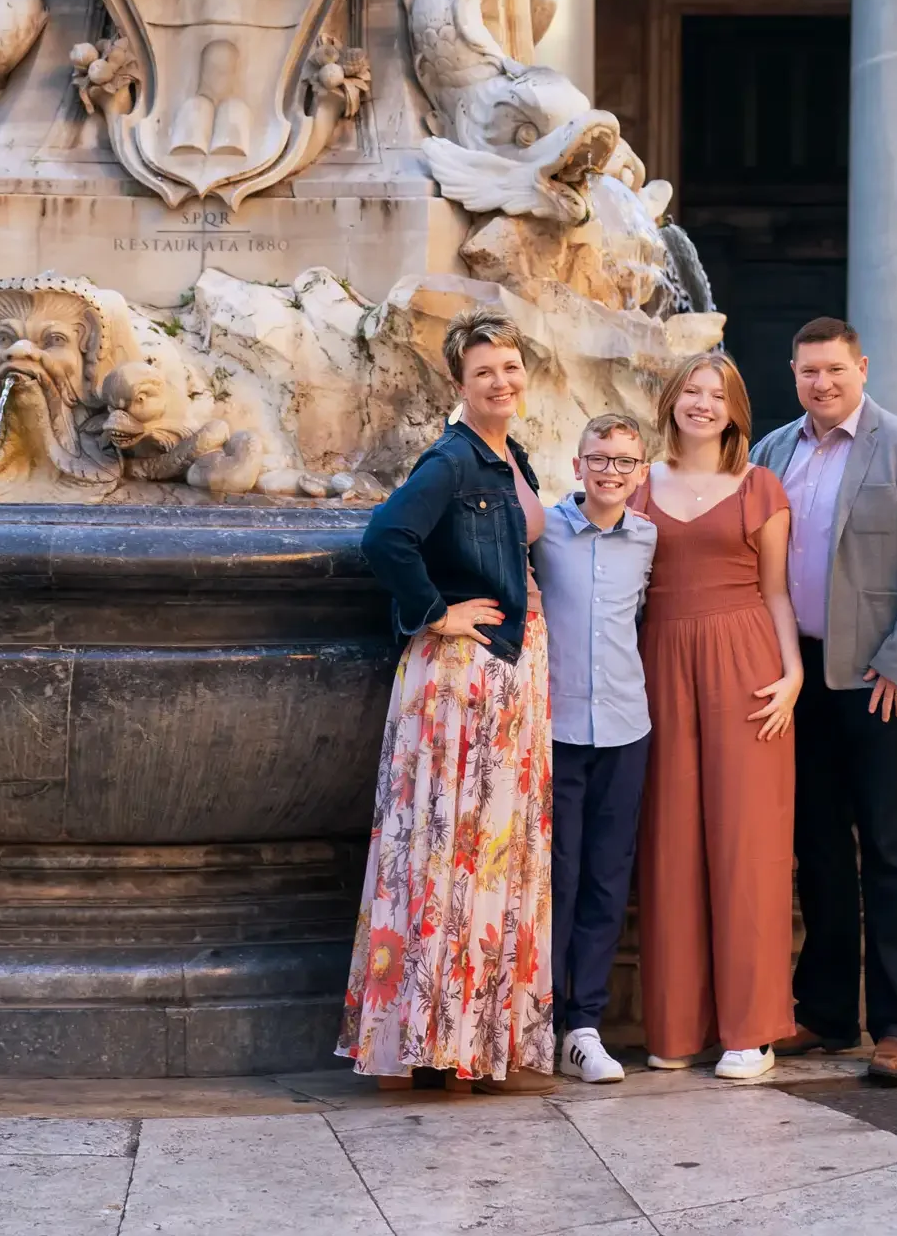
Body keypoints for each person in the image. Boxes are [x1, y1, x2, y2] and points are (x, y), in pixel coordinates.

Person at [338, 314, 553, 1088]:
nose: (503, 381)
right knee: (450, 852)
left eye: (511, 366)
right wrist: (437, 611)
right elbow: (384, 537)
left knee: (486, 853)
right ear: (458, 386)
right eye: (485, 371)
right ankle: (436, 1040)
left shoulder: (508, 455)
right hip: (466, 677)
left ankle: (468, 1038)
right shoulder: (453, 459)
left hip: (506, 671)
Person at [753, 316, 897, 1085]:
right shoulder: (772, 451)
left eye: (834, 370)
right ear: (794, 372)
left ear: (861, 368)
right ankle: (825, 1013)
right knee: (814, 847)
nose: (822, 384)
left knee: (886, 848)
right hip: (798, 676)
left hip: (882, 681)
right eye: (809, 371)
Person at [630, 349, 804, 1081]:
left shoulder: (760, 486)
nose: (702, 403)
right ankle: (673, 1025)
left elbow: (775, 592)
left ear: (735, 410)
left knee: (746, 844)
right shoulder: (636, 484)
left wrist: (792, 673)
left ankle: (750, 1029)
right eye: (690, 391)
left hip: (746, 661)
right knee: (667, 843)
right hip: (658, 659)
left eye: (716, 394)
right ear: (670, 400)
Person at [534, 411, 657, 1084]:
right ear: (577, 464)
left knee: (607, 880)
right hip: (553, 729)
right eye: (599, 458)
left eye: (624, 462)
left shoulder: (648, 539)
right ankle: (541, 1018)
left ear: (641, 474)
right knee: (556, 875)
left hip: (624, 729)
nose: (611, 471)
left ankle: (584, 1026)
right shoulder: (543, 532)